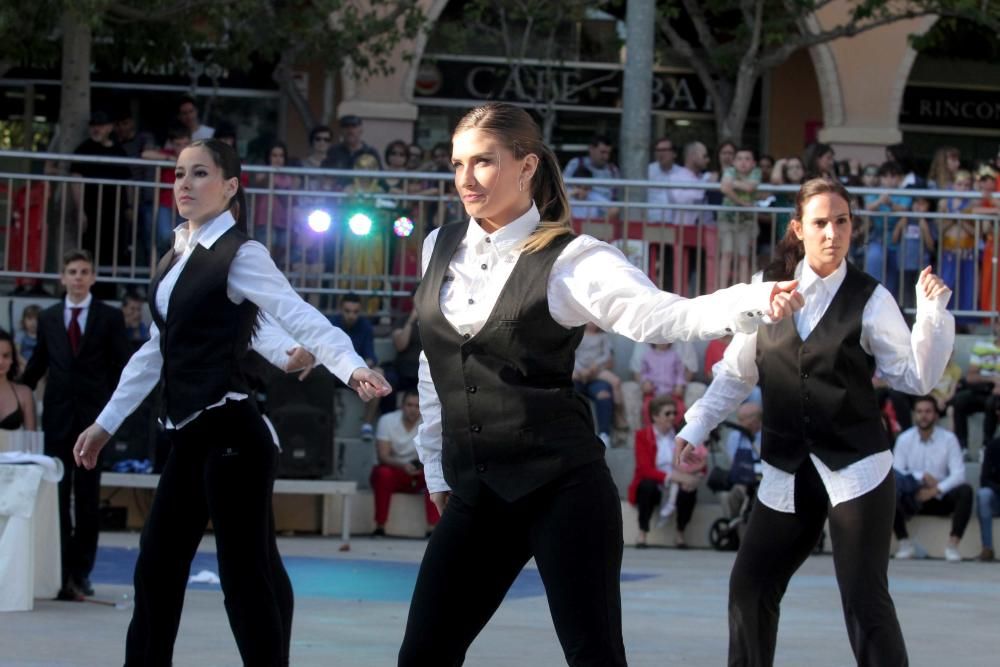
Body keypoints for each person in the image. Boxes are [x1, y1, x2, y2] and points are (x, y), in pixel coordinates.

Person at [398, 102, 804, 667]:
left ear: (526, 166)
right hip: (478, 492)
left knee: (595, 659)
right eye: (458, 162)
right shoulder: (438, 246)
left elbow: (659, 316)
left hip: (562, 490)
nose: (467, 177)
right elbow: (433, 361)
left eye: (484, 161)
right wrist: (437, 465)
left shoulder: (573, 259)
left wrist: (753, 299)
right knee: (422, 656)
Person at [70, 139, 391, 666]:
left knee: (245, 577)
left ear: (230, 186)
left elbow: (294, 312)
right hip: (189, 436)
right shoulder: (175, 256)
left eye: (199, 174)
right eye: (178, 174)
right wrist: (105, 424)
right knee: (158, 566)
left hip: (233, 436)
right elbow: (160, 347)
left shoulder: (242, 253)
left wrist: (351, 364)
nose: (184, 184)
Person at [677, 177, 954, 666]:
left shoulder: (871, 298)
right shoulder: (768, 291)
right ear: (798, 229)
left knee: (865, 603)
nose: (832, 233)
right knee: (749, 586)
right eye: (821, 223)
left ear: (852, 227)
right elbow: (736, 375)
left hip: (858, 468)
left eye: (842, 222)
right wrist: (695, 426)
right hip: (787, 467)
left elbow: (914, 377)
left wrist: (931, 312)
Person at [19, 249, 132, 601]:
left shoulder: (109, 318)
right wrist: (13, 384)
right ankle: (59, 571)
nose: (79, 277)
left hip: (93, 423)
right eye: (72, 271)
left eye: (85, 271)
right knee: (55, 497)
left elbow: (123, 366)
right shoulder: (51, 318)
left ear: (93, 277)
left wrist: (113, 412)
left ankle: (80, 574)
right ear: (63, 278)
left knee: (86, 499)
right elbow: (39, 364)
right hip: (57, 420)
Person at [891, 395, 973, 562]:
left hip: (940, 497)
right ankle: (905, 544)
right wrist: (921, 477)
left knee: (965, 491)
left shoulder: (949, 439)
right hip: (912, 496)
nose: (924, 416)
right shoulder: (904, 439)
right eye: (919, 411)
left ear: (936, 415)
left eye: (928, 411)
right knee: (888, 491)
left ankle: (952, 546)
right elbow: (896, 471)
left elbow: (959, 474)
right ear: (914, 414)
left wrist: (936, 489)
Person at [628, 396, 703, 548]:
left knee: (689, 490)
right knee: (646, 486)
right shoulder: (642, 435)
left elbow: (697, 460)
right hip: (656, 480)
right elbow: (644, 469)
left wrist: (694, 476)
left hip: (677, 479)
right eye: (667, 413)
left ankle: (680, 534)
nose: (672, 417)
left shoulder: (681, 435)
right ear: (655, 416)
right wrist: (674, 477)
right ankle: (642, 533)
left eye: (674, 413)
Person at [370, 390, 439, 536]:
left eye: (417, 406)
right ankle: (380, 526)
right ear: (401, 406)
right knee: (382, 473)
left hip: (420, 471)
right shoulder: (387, 420)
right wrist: (403, 466)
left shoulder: (429, 423)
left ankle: (433, 528)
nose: (413, 409)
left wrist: (419, 466)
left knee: (437, 474)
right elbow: (383, 456)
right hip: (395, 470)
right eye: (409, 405)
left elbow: (434, 454)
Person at [572, 322, 623, 447]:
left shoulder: (603, 337)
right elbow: (573, 353)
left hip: (596, 374)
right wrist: (580, 370)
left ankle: (604, 433)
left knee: (604, 394)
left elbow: (607, 356)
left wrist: (595, 366)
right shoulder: (577, 335)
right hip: (578, 374)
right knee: (572, 395)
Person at [719, 146, 761, 287]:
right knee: (727, 254)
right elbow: (725, 188)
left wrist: (733, 184)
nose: (743, 162)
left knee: (744, 256)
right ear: (734, 162)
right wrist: (743, 203)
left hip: (746, 221)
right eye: (739, 159)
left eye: (747, 159)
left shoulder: (756, 172)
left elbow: (750, 187)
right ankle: (722, 289)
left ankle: (742, 289)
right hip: (727, 219)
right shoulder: (730, 170)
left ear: (753, 163)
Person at [721, 402, 763, 519]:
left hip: (762, 480)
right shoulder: (735, 437)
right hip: (742, 478)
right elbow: (733, 463)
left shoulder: (766, 437)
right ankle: (735, 525)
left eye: (742, 419)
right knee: (736, 492)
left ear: (755, 420)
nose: (738, 423)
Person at [0, 329, 37, 431]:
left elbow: (32, 439)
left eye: (6, 356)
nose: (1, 361)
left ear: (12, 358)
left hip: (17, 446)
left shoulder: (24, 393)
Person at [976, 431, 1000, 561]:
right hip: (997, 498)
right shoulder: (993, 446)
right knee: (983, 494)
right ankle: (987, 548)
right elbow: (984, 479)